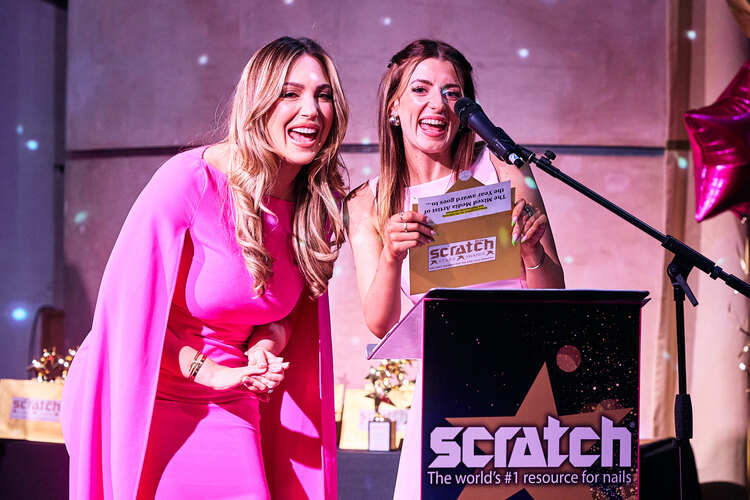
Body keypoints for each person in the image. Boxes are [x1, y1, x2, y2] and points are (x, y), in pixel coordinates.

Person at [62, 37, 348, 500]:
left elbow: (285, 314)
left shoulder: (318, 204)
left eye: (323, 95)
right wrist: (207, 370)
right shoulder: (189, 181)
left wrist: (262, 348)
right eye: (290, 93)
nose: (311, 110)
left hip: (233, 399)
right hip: (148, 394)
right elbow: (125, 318)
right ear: (258, 103)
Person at [345, 39, 565, 498]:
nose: (437, 104)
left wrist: (531, 253)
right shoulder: (368, 201)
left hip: (523, 383)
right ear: (393, 106)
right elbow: (380, 323)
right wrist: (391, 256)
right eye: (420, 89)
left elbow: (554, 294)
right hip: (444, 390)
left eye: (452, 93)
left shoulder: (505, 170)